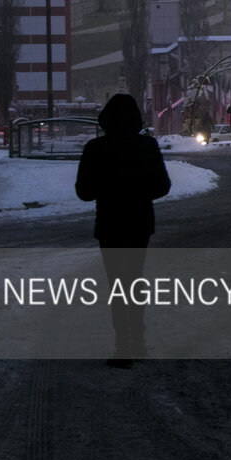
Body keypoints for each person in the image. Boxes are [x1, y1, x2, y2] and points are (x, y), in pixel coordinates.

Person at [75, 93, 171, 368]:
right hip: (139, 223)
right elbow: (162, 186)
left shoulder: (95, 148)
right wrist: (138, 190)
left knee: (117, 284)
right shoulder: (147, 146)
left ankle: (123, 345)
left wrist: (108, 187)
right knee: (135, 278)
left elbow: (84, 192)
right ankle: (138, 340)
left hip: (110, 224)